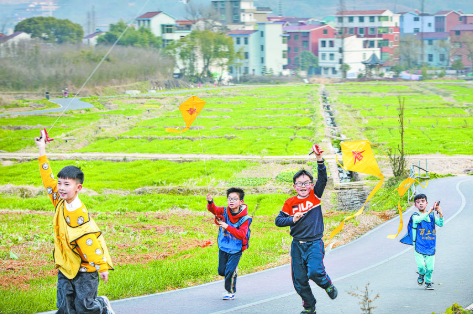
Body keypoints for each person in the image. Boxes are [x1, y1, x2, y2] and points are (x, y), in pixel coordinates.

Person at [35, 130, 115, 314]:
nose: (61, 188)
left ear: (78, 188)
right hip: (66, 263)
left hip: (86, 267)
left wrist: (101, 266)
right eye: (60, 183)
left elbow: (89, 241)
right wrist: (41, 149)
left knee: (85, 307)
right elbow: (47, 179)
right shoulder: (59, 200)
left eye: (66, 184)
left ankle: (102, 305)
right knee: (64, 306)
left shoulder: (79, 214)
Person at [275, 145, 337, 314]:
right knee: (299, 280)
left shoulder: (315, 196)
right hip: (297, 245)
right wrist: (291, 219)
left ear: (311, 185)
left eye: (307, 183)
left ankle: (327, 284)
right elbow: (278, 221)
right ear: (295, 186)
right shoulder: (290, 203)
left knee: (315, 271)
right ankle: (309, 306)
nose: (303, 186)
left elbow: (323, 178)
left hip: (314, 243)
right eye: (299, 183)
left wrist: (319, 159)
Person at [206, 188, 252, 300]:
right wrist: (210, 202)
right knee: (222, 271)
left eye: (235, 199)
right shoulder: (224, 211)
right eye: (229, 199)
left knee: (230, 272)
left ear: (241, 201)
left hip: (236, 249)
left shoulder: (245, 218)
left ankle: (230, 291)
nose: (231, 201)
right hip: (224, 246)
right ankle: (231, 272)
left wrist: (227, 226)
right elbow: (214, 210)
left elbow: (241, 234)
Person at [400, 194, 443, 290]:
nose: (421, 204)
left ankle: (428, 282)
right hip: (418, 245)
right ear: (415, 205)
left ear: (426, 203)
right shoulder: (415, 216)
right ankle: (421, 274)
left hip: (430, 245)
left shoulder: (431, 215)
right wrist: (429, 212)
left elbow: (441, 223)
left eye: (422, 201)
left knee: (430, 268)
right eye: (418, 202)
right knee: (421, 267)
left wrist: (440, 213)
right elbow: (419, 219)